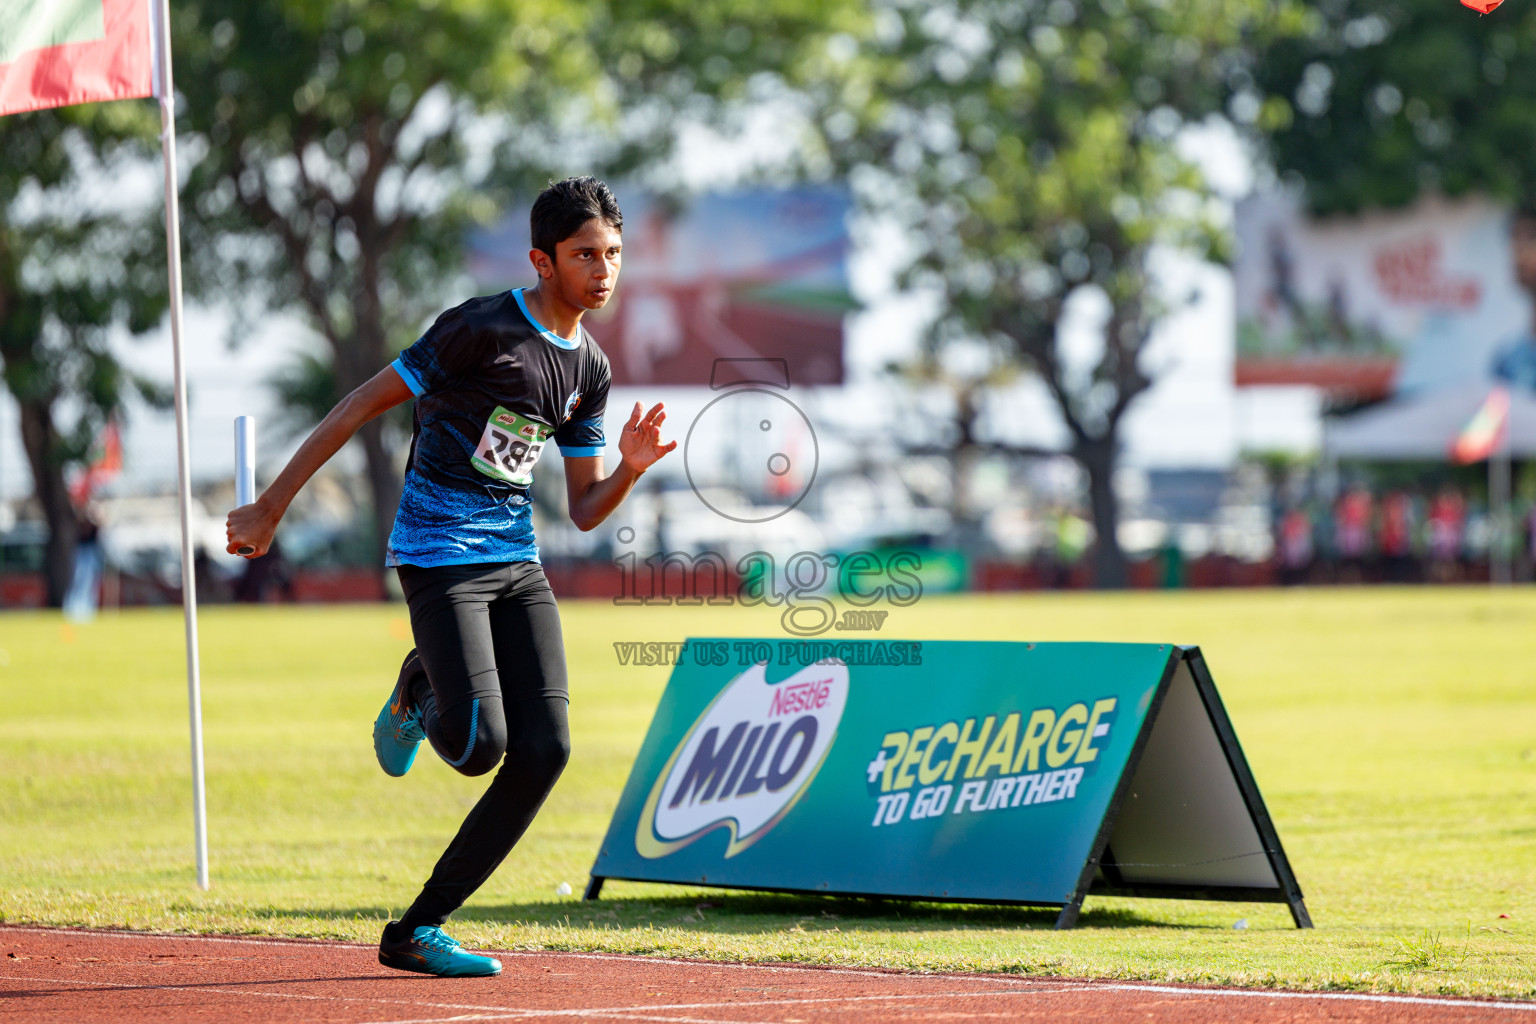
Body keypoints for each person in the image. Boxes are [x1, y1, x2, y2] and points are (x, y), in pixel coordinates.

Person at [225, 177, 676, 978]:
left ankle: (417, 928)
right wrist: (269, 508)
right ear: (542, 260)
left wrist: (630, 471)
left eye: (611, 254)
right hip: (437, 556)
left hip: (516, 561)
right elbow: (361, 405)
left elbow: (582, 509)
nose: (602, 270)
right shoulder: (479, 328)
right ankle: (415, 688)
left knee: (546, 752)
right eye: (583, 256)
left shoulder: (592, 369)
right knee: (476, 747)